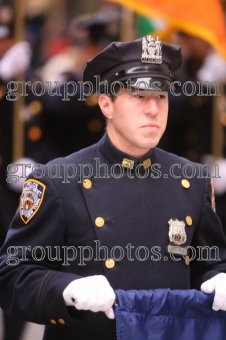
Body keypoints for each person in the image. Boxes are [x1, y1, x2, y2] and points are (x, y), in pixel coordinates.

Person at [0, 35, 226, 340]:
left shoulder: (192, 179)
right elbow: (13, 274)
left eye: (161, 96)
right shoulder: (58, 179)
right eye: (138, 96)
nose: (153, 109)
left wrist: (219, 277)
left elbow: (210, 262)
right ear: (106, 104)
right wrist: (65, 289)